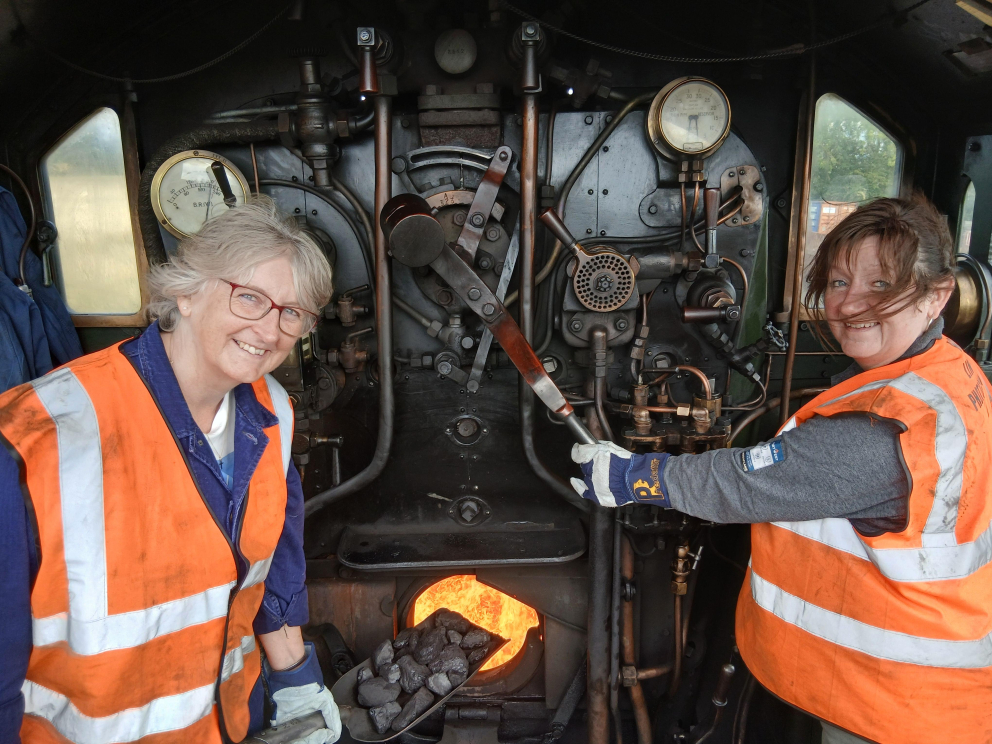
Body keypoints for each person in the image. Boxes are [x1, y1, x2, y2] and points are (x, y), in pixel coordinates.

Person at [571, 195, 992, 744]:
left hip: (897, 704)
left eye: (882, 285)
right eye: (839, 283)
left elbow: (747, 482)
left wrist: (632, 478)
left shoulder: (887, 429)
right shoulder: (950, 378)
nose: (852, 304)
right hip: (914, 680)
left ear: (937, 297)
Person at [0, 198, 341, 743]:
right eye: (250, 298)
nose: (271, 330)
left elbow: (271, 566)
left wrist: (295, 680)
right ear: (185, 290)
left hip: (230, 727)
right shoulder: (36, 438)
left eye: (292, 313)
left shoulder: (272, 412)